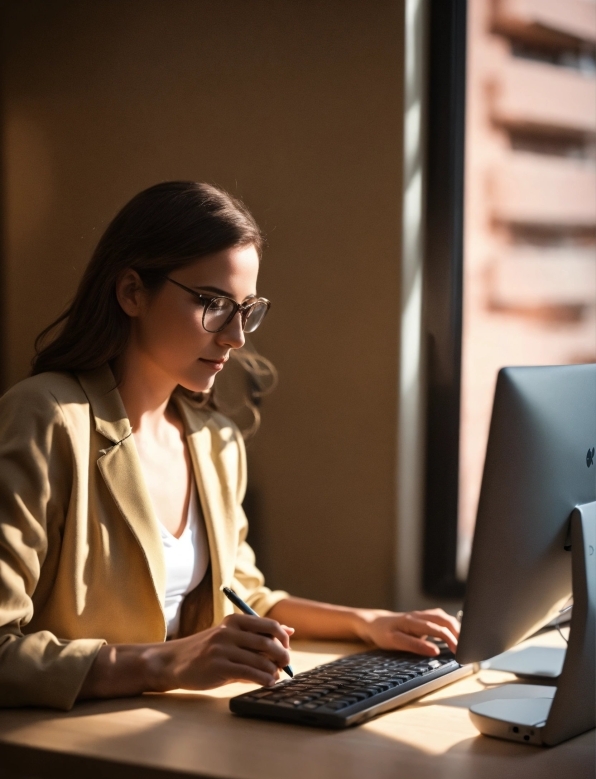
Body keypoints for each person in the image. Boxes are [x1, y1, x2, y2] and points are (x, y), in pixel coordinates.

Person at [0, 181, 459, 712]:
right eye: (214, 304)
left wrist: (365, 622)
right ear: (131, 292)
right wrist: (165, 662)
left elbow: (242, 595)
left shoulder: (215, 442)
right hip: (76, 760)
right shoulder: (46, 418)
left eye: (247, 309)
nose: (236, 336)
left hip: (179, 737)